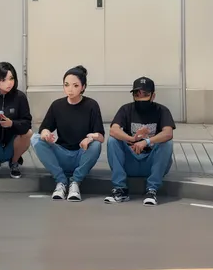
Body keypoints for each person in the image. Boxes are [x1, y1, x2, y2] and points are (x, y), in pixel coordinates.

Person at [31, 66, 104, 201]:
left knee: (96, 145)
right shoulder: (57, 105)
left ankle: (75, 182)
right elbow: (44, 128)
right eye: (66, 85)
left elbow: (100, 136)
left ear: (83, 87)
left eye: (75, 85)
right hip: (62, 153)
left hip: (82, 153)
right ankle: (61, 182)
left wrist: (90, 137)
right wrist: (46, 134)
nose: (70, 89)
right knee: (35, 139)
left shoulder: (91, 105)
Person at [105, 77, 175, 206]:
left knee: (167, 143)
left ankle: (152, 190)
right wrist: (132, 139)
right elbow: (113, 130)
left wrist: (146, 141)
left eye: (145, 94)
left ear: (153, 96)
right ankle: (120, 189)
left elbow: (168, 133)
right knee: (112, 141)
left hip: (152, 163)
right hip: (130, 161)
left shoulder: (162, 111)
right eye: (137, 94)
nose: (141, 98)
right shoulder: (126, 109)